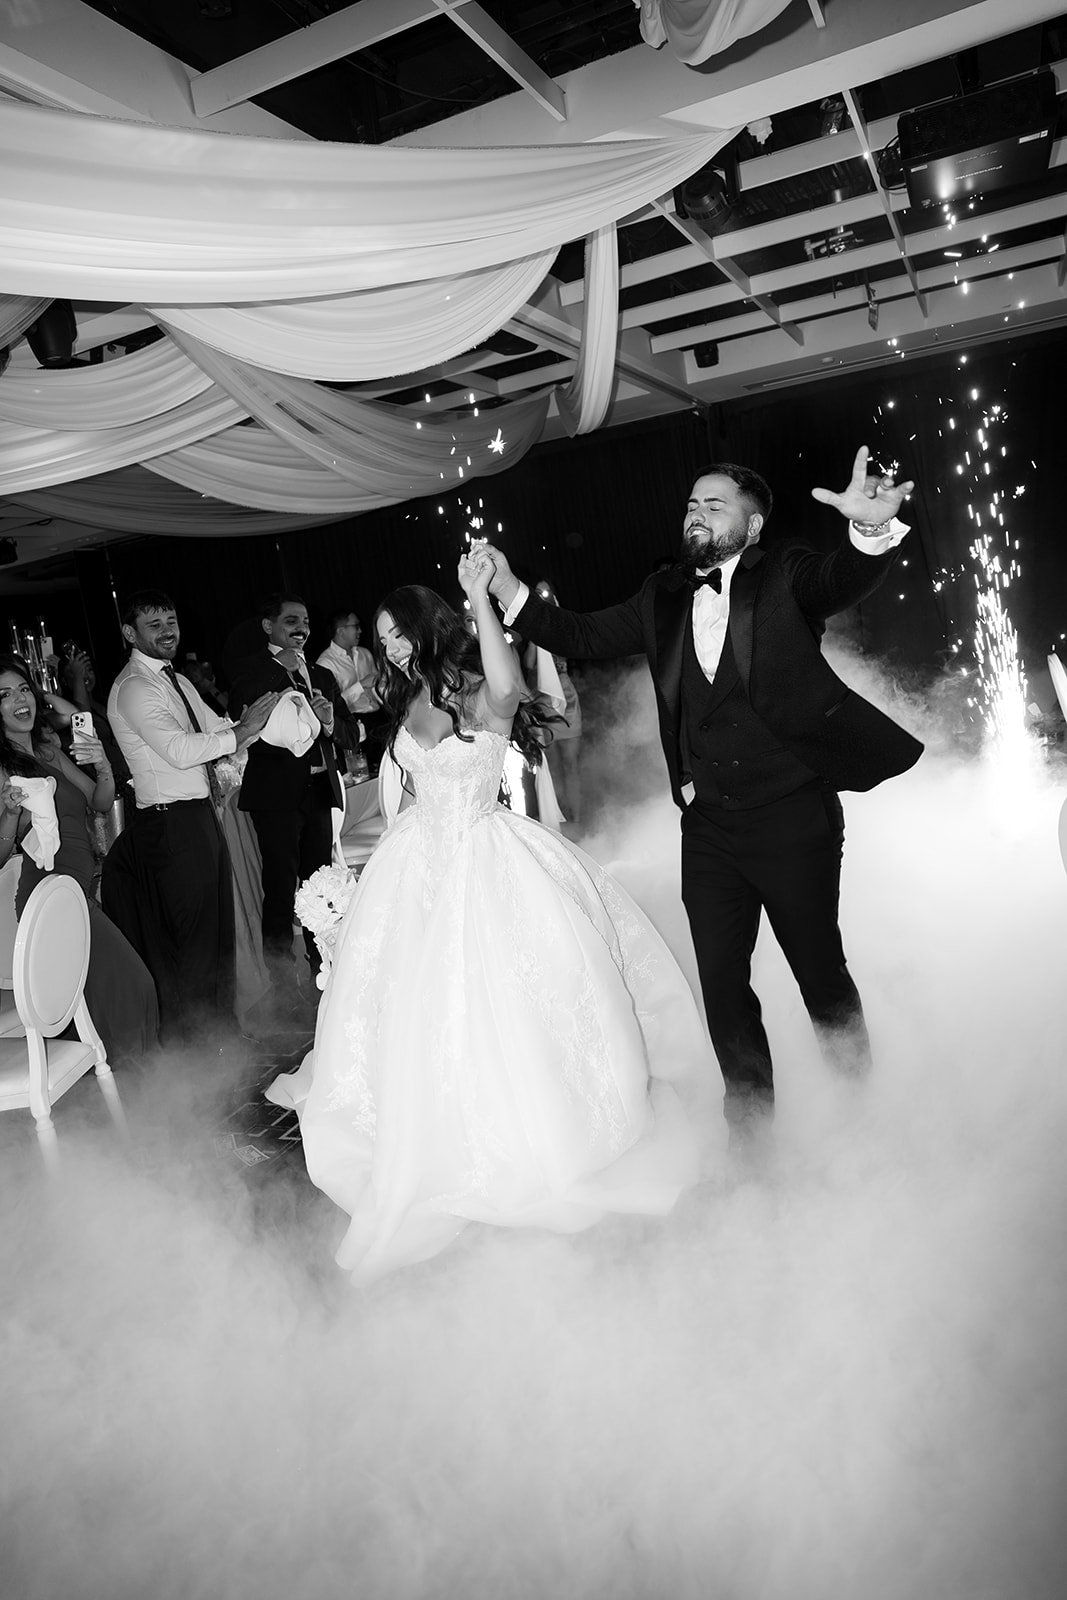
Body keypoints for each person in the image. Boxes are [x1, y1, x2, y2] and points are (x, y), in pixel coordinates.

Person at [266, 551, 706, 1285]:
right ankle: (430, 1129)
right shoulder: (406, 697)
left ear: (428, 627)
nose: (392, 648)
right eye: (382, 638)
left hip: (483, 855)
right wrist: (376, 883)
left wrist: (480, 597)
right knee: (414, 1009)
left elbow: (508, 688)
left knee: (504, 999)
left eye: (400, 633)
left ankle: (521, 1137)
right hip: (417, 864)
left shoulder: (477, 691)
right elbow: (408, 793)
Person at [481, 446, 924, 1139]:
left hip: (792, 816)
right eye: (691, 503)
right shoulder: (661, 594)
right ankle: (749, 1136)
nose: (696, 512)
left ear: (752, 525)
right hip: (710, 829)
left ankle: (860, 1114)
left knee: (819, 972)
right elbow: (582, 633)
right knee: (721, 988)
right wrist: (509, 588)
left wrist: (868, 530)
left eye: (714, 504)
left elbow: (839, 578)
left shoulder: (783, 573)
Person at [103, 591, 277, 1043]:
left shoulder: (175, 678)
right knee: (195, 942)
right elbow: (180, 751)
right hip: (169, 825)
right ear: (130, 634)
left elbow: (220, 729)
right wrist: (241, 731)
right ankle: (201, 1049)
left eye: (171, 621)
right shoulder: (135, 687)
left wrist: (261, 721)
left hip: (196, 816)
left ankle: (223, 1038)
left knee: (218, 934)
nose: (167, 631)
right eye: (154, 624)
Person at [0, 655, 158, 1065]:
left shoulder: (48, 750)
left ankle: (129, 1083)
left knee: (107, 996)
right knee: (133, 986)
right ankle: (143, 1081)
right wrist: (11, 813)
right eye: (4, 695)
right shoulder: (2, 769)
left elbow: (99, 801)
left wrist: (102, 764)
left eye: (23, 689)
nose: (19, 700)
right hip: (48, 895)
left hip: (77, 891)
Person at [229, 595, 345, 1005]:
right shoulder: (252, 669)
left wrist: (328, 721)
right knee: (280, 890)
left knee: (320, 888)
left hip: (318, 792)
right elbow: (239, 711)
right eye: (291, 620)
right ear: (269, 626)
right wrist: (282, 670)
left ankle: (324, 970)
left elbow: (347, 732)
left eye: (306, 621)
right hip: (275, 798)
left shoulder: (322, 674)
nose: (301, 627)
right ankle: (282, 987)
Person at [524, 580, 583, 827]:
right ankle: (558, 818)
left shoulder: (563, 625)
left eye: (545, 593)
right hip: (542, 700)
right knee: (553, 765)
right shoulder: (530, 628)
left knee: (571, 763)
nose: (541, 596)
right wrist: (534, 635)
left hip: (565, 696)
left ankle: (577, 817)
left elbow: (572, 649)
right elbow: (528, 664)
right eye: (537, 593)